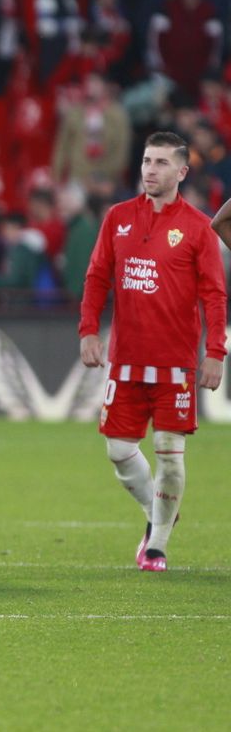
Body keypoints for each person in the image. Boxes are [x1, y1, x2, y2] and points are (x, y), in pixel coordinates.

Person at [86, 133, 227, 571]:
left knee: (169, 456)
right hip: (126, 358)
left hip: (177, 364)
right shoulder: (118, 217)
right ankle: (158, 511)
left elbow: (214, 294)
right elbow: (96, 277)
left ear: (182, 172)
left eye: (162, 163)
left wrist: (215, 351)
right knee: (118, 451)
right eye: (147, 161)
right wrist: (89, 330)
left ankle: (157, 545)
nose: (150, 170)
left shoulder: (199, 227)